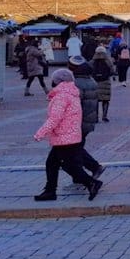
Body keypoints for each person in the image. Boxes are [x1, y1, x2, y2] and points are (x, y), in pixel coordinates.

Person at [32, 69, 103, 202]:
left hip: (64, 137)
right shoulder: (72, 93)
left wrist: (40, 133)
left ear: (58, 81)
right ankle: (50, 191)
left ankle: (91, 183)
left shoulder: (61, 96)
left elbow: (55, 118)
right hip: (70, 135)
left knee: (69, 166)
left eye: (54, 79)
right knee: (53, 163)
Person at [69, 56, 105, 180]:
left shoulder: (76, 84)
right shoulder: (91, 81)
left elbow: (75, 104)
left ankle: (94, 167)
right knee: (76, 148)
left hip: (78, 121)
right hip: (88, 121)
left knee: (74, 149)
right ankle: (78, 175)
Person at [90, 46, 114, 121]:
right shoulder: (108, 61)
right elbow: (112, 71)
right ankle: (104, 116)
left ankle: (96, 117)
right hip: (105, 82)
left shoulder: (92, 61)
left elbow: (88, 71)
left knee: (96, 100)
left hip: (95, 82)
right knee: (106, 100)